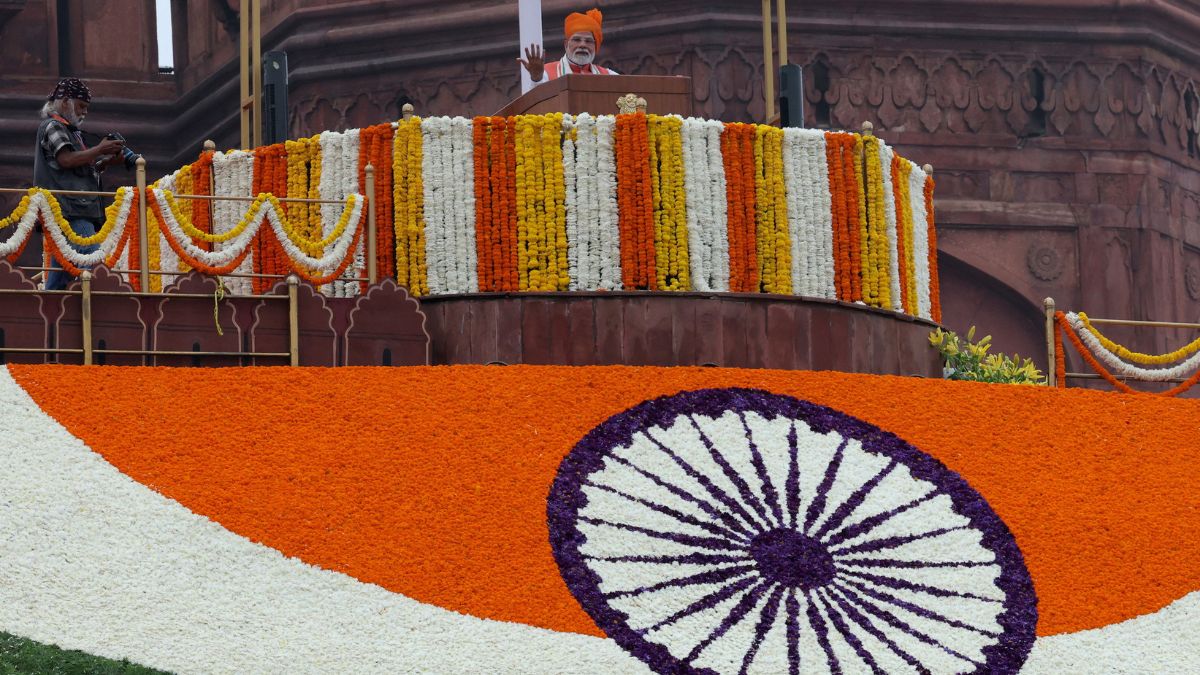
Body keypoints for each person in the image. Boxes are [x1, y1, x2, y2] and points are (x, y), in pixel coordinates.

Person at [34, 77, 126, 290]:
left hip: (73, 209)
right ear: (65, 102)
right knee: (92, 261)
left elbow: (80, 167)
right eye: (81, 106)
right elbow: (65, 160)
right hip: (70, 210)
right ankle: (102, 312)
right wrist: (100, 150)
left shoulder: (70, 131)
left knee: (62, 271)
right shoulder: (52, 126)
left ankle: (48, 314)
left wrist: (107, 161)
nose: (84, 112)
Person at [519, 8, 620, 84]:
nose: (582, 45)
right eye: (577, 40)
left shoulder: (610, 76)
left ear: (595, 46)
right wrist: (536, 78)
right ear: (566, 44)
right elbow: (536, 104)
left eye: (588, 41)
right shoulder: (545, 73)